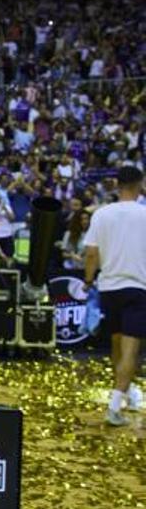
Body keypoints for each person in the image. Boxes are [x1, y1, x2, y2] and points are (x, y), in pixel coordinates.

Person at [84, 166, 146, 426]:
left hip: (109, 288)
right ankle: (114, 406)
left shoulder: (101, 214)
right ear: (140, 184)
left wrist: (88, 280)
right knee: (131, 349)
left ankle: (128, 392)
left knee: (117, 345)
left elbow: (90, 253)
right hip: (137, 287)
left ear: (116, 184)